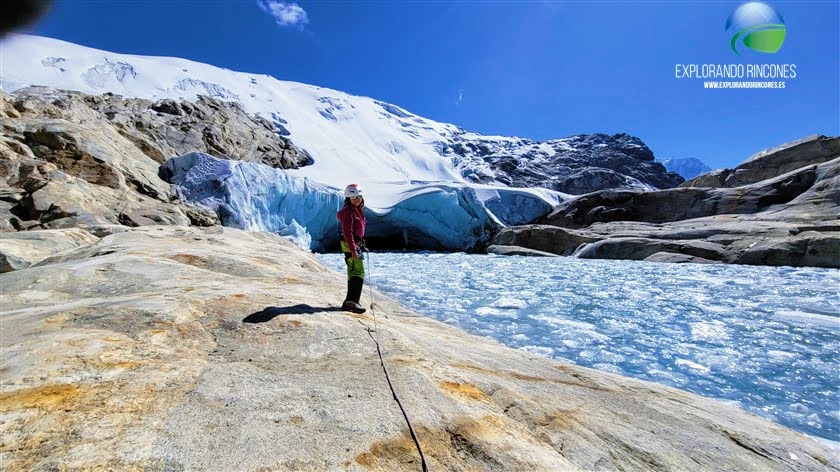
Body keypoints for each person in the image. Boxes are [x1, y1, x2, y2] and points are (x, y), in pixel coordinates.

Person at [337, 183, 367, 313]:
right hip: (350, 244)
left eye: (358, 196)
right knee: (358, 271)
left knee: (352, 270)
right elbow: (347, 231)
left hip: (354, 243)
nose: (356, 199)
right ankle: (352, 301)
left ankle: (351, 300)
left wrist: (360, 241)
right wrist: (353, 249)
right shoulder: (348, 212)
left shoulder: (355, 210)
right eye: (353, 197)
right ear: (348, 198)